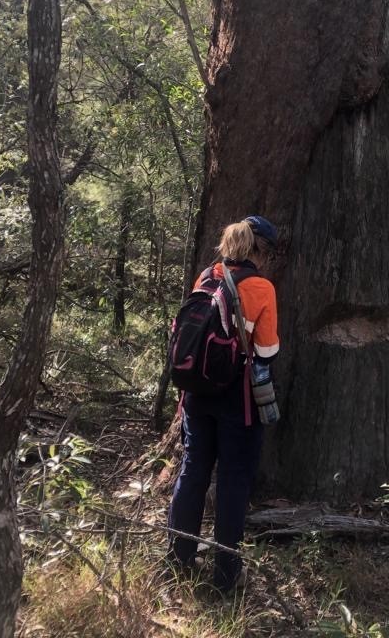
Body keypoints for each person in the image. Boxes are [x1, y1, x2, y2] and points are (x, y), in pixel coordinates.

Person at [167, 215, 279, 594]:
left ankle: (178, 557)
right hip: (239, 397)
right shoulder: (261, 287)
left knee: (193, 469)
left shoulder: (206, 276)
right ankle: (226, 575)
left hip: (196, 392)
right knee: (233, 480)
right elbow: (266, 349)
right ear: (259, 250)